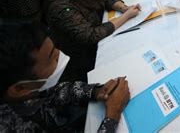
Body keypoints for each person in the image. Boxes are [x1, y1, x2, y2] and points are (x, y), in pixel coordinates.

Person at [0, 20, 130, 132]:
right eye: (52, 57)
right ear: (19, 89)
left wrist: (95, 91)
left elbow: (53, 92)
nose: (60, 54)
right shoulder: (11, 126)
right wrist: (112, 115)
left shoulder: (30, 86)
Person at [46, 0, 140, 81]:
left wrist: (123, 8)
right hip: (83, 61)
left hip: (99, 43)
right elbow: (90, 35)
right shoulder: (61, 7)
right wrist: (126, 16)